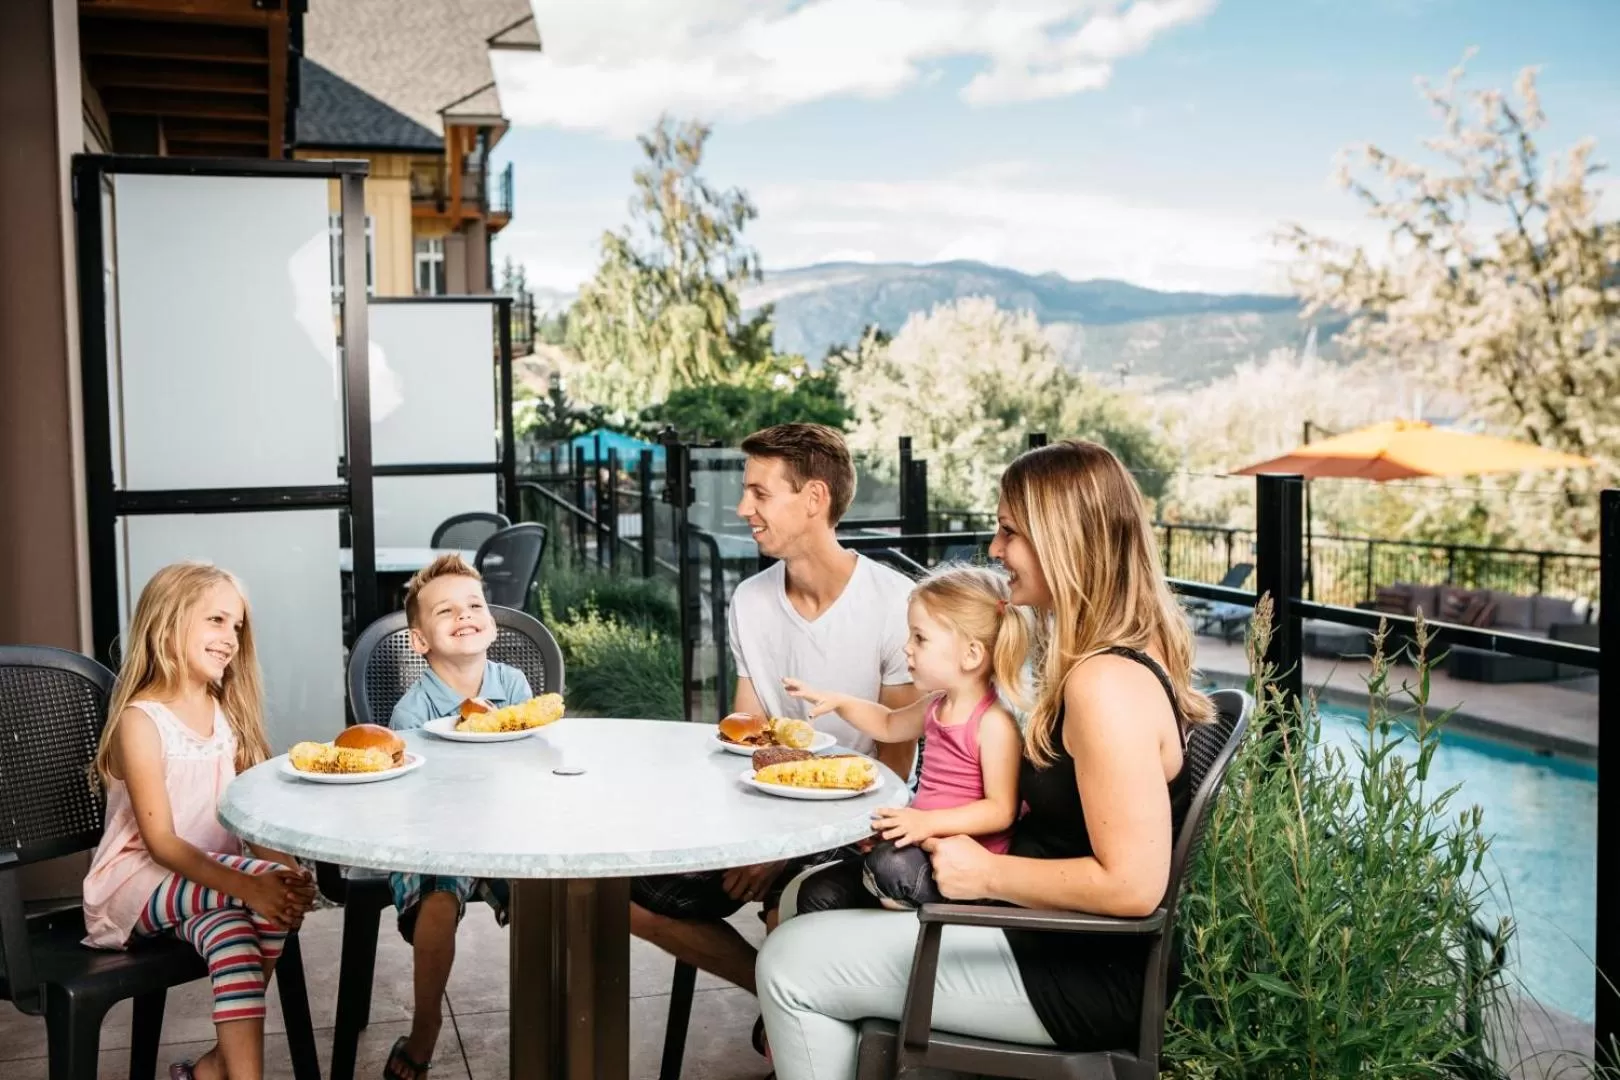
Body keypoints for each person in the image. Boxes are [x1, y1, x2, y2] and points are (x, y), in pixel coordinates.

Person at [756, 439, 1217, 1080]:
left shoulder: (1104, 685)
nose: (995, 549)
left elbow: (1135, 886)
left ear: (1064, 541)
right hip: (1046, 941)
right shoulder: (1108, 664)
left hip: (1072, 973)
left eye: (1009, 531)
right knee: (817, 902)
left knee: (789, 962)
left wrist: (986, 877)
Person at [629, 422, 921, 1053]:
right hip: (767, 809)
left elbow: (898, 760)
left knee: (786, 908)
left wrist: (784, 845)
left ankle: (803, 1028)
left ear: (813, 499)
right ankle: (779, 1000)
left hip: (855, 826)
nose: (742, 508)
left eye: (760, 493)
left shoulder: (896, 603)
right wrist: (744, 832)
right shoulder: (751, 600)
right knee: (630, 897)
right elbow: (745, 734)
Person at [83, 562, 318, 1080]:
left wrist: (287, 873)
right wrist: (254, 883)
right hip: (138, 881)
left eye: (236, 626)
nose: (231, 637)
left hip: (208, 886)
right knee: (262, 891)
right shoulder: (141, 720)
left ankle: (214, 1071)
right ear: (167, 625)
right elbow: (162, 844)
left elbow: (252, 820)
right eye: (215, 620)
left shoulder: (223, 712)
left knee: (246, 926)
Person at [781, 564, 1026, 911]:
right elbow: (887, 723)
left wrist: (923, 823)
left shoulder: (993, 722)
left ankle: (893, 897)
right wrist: (840, 702)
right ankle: (884, 894)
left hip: (957, 864)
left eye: (920, 638)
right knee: (816, 892)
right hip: (919, 846)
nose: (906, 648)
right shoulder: (935, 705)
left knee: (888, 867)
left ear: (971, 654)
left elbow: (1000, 811)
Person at [380, 554, 534, 1080]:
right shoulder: (412, 712)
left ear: (490, 620)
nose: (465, 614)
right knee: (440, 901)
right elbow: (416, 800)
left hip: (505, 828)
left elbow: (530, 767)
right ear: (421, 641)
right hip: (436, 834)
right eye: (446, 610)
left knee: (554, 895)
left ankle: (550, 1021)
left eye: (474, 604)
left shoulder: (513, 686)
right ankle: (425, 1030)